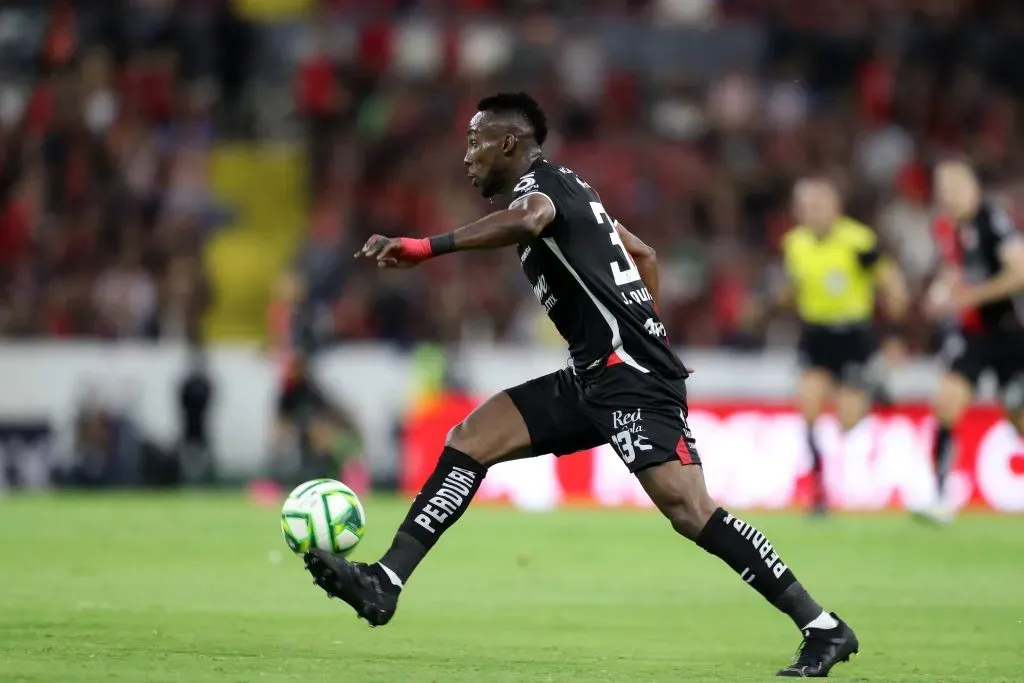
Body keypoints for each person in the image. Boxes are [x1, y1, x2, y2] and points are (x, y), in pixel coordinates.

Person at [304, 93, 858, 677]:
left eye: (475, 142)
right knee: (471, 437)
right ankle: (385, 580)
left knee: (690, 509)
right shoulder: (576, 191)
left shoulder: (540, 193)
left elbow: (530, 220)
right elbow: (643, 254)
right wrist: (645, 324)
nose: (467, 156)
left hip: (632, 380)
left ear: (509, 144)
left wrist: (427, 246)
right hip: (594, 374)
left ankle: (823, 628)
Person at [779, 177, 908, 514]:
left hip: (853, 336)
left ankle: (871, 386)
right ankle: (819, 491)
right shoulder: (794, 243)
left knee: (847, 421)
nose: (811, 211)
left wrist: (895, 335)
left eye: (818, 204)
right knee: (808, 405)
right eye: (805, 206)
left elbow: (891, 286)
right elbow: (796, 286)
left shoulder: (858, 241)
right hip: (816, 335)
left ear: (835, 207)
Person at [918, 160, 1024, 524]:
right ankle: (941, 496)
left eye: (955, 186)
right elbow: (953, 272)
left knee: (1018, 416)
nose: (948, 194)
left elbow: (1020, 273)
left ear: (973, 189)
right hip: (972, 335)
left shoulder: (993, 222)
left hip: (1010, 333)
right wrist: (940, 292)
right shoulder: (945, 227)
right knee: (947, 402)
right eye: (942, 187)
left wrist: (970, 296)